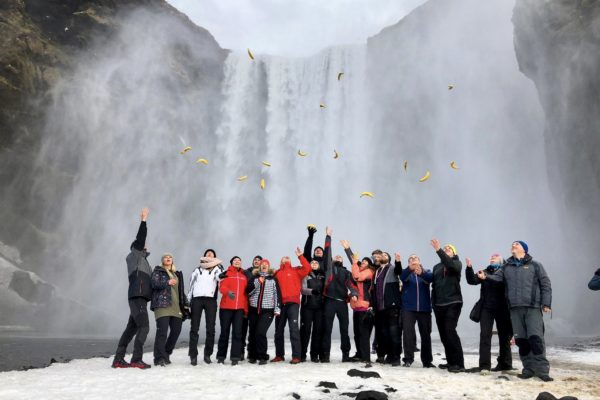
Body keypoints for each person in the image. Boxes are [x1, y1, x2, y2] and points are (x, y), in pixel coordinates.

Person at [483, 241, 553, 381]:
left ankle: (542, 371)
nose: (513, 245)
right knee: (521, 340)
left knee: (536, 338)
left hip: (532, 307)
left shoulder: (535, 265)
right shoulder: (506, 267)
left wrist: (546, 303)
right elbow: (497, 277)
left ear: (524, 249)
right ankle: (528, 369)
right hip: (514, 309)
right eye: (512, 244)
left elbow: (545, 284)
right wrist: (486, 276)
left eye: (517, 244)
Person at [112, 207, 152, 369]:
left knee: (131, 329)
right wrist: (143, 220)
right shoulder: (134, 256)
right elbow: (140, 238)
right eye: (142, 246)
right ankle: (136, 359)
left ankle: (118, 359)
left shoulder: (143, 262)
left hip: (140, 297)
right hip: (137, 296)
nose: (146, 246)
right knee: (144, 326)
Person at [466, 254, 513, 374]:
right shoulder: (484, 271)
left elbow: (500, 282)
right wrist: (469, 268)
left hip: (502, 308)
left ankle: (505, 364)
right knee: (485, 336)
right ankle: (485, 366)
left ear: (501, 261)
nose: (492, 257)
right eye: (491, 256)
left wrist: (485, 277)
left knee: (504, 336)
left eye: (496, 256)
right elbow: (472, 281)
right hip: (486, 308)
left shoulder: (505, 272)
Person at [320, 227, 358, 363]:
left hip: (342, 302)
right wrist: (328, 236)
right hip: (329, 301)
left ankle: (345, 355)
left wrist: (354, 294)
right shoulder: (329, 269)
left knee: (344, 330)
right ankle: (325, 355)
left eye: (340, 257)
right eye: (336, 256)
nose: (338, 257)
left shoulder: (347, 273)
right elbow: (327, 251)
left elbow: (352, 285)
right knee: (327, 329)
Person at [272, 247, 312, 364]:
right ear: (281, 261)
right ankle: (279, 355)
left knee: (293, 329)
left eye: (288, 257)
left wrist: (300, 256)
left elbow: (308, 268)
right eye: (284, 257)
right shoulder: (277, 273)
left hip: (293, 304)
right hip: (280, 305)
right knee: (278, 331)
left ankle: (296, 356)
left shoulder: (296, 271)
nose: (287, 257)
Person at [430, 239, 465, 372]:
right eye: (444, 249)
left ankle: (459, 364)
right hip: (439, 304)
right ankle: (451, 362)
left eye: (449, 249)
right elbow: (433, 283)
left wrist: (439, 250)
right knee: (444, 334)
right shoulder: (437, 267)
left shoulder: (457, 263)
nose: (446, 250)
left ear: (454, 253)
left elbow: (451, 266)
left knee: (450, 331)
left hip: (453, 302)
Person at [151, 253, 188, 366]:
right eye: (166, 257)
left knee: (176, 331)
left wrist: (186, 304)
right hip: (162, 305)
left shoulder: (176, 274)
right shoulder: (158, 271)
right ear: (162, 260)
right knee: (162, 332)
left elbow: (180, 291)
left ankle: (166, 353)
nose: (168, 258)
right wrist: (167, 282)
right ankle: (159, 358)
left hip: (176, 306)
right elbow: (154, 284)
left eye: (170, 257)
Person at [187, 249, 224, 365]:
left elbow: (220, 278)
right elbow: (191, 285)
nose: (209, 254)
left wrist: (222, 275)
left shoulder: (218, 268)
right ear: (204, 256)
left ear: (214, 256)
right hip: (197, 299)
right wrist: (188, 301)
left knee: (211, 329)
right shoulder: (197, 269)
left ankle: (207, 354)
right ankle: (193, 355)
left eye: (211, 253)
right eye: (208, 253)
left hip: (210, 300)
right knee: (194, 328)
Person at [341, 240, 375, 364]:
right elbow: (353, 261)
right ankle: (360, 354)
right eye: (362, 261)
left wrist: (355, 262)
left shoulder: (369, 272)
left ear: (369, 264)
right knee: (357, 334)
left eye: (365, 262)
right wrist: (347, 248)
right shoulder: (359, 269)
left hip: (364, 308)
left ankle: (366, 358)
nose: (363, 263)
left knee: (364, 334)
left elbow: (357, 277)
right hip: (356, 308)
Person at [400, 254, 435, 368]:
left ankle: (427, 361)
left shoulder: (427, 271)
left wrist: (421, 273)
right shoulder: (407, 273)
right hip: (408, 309)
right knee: (408, 335)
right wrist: (410, 268)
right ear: (409, 263)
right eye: (411, 259)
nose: (414, 260)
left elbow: (431, 278)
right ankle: (408, 359)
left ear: (420, 261)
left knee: (426, 335)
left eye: (416, 258)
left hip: (424, 309)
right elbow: (402, 277)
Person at [372, 251, 403, 366]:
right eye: (381, 256)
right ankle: (384, 355)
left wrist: (398, 261)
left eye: (385, 255)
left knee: (394, 333)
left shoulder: (392, 268)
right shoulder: (377, 271)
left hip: (392, 307)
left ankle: (395, 357)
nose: (383, 257)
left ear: (389, 259)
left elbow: (399, 271)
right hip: (380, 308)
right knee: (383, 334)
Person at [247, 259, 281, 365]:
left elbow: (277, 295)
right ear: (260, 267)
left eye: (266, 264)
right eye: (262, 264)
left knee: (260, 332)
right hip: (253, 310)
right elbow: (248, 291)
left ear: (269, 266)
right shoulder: (254, 278)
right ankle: (252, 355)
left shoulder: (273, 279)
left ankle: (262, 356)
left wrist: (277, 308)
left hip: (267, 311)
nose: (264, 265)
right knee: (252, 333)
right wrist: (258, 282)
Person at [216, 256, 248, 365]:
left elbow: (246, 294)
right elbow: (221, 287)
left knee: (237, 333)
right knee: (224, 333)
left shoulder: (244, 276)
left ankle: (235, 357)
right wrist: (228, 292)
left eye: (239, 260)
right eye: (235, 260)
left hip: (239, 309)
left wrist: (245, 309)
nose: (237, 261)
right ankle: (221, 356)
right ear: (231, 263)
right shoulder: (226, 273)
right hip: (226, 308)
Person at [300, 258, 325, 362]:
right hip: (308, 307)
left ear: (319, 265)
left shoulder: (323, 276)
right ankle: (302, 354)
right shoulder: (306, 275)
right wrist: (312, 291)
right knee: (305, 331)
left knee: (317, 331)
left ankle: (314, 355)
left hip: (320, 307)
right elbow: (302, 289)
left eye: (316, 263)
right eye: (312, 263)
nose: (314, 264)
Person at [241, 255, 263, 361]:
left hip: (257, 306)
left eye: (259, 260)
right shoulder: (246, 272)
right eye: (255, 260)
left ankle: (252, 353)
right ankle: (240, 352)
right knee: (243, 329)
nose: (257, 261)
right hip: (246, 304)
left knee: (255, 330)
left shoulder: (263, 273)